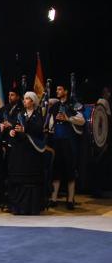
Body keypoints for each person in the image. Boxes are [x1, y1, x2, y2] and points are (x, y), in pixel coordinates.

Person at [46, 81, 86, 209]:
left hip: (69, 142)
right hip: (57, 141)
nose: (57, 91)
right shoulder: (55, 105)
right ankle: (53, 199)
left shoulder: (73, 105)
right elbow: (50, 122)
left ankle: (70, 200)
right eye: (57, 89)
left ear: (66, 91)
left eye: (59, 89)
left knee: (70, 171)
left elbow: (82, 121)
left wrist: (67, 118)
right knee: (56, 171)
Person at [6, 91, 47, 215]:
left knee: (31, 180)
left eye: (27, 99)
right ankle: (17, 207)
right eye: (24, 99)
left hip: (32, 153)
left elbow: (39, 130)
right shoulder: (20, 114)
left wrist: (25, 129)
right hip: (20, 151)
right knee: (18, 179)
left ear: (33, 101)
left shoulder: (38, 115)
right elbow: (15, 127)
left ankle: (31, 207)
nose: (24, 101)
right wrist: (12, 132)